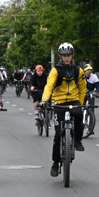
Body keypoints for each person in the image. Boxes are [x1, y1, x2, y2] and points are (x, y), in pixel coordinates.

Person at [41, 42, 86, 177]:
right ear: (60, 56)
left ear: (72, 56)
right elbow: (49, 85)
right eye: (64, 56)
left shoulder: (78, 70)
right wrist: (45, 99)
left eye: (69, 55)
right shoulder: (56, 70)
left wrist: (81, 103)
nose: (67, 58)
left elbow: (82, 89)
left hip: (73, 99)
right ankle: (55, 163)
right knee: (57, 134)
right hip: (59, 101)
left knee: (78, 114)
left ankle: (77, 140)